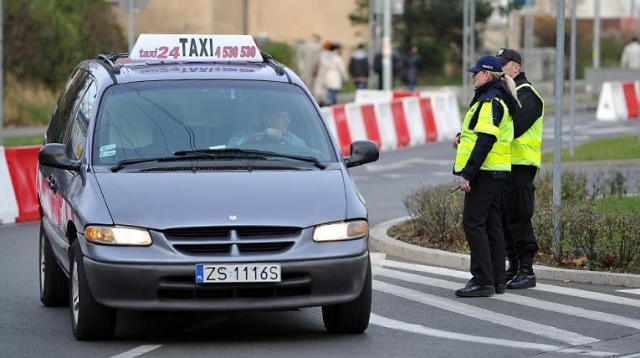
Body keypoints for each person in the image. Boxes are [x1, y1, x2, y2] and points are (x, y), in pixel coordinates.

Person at [452, 55, 520, 298]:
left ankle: (482, 280)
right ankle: (496, 280)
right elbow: (480, 132)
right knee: (491, 225)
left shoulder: (490, 100)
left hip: (486, 172)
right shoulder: (495, 98)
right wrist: (463, 135)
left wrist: (468, 174)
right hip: (495, 172)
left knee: (473, 223)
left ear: (488, 75)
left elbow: (486, 140)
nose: (473, 75)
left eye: (477, 72)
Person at [496, 48, 545, 290]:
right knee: (505, 217)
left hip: (520, 166)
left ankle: (527, 270)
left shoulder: (527, 95)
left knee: (518, 216)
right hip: (504, 164)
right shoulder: (505, 94)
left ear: (516, 67)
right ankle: (513, 267)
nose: (499, 69)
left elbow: (511, 128)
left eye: (503, 65)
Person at [228, 106, 306, 147]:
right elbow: (230, 149)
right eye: (282, 117)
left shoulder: (291, 139)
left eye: (288, 117)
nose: (287, 121)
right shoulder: (246, 134)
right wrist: (255, 139)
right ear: (266, 119)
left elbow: (305, 153)